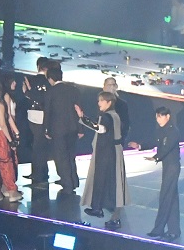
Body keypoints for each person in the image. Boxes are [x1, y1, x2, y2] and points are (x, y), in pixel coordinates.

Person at [77, 92, 129, 230]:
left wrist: (83, 118)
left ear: (108, 102)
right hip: (112, 150)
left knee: (101, 179)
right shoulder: (114, 115)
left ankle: (99, 209)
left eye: (101, 100)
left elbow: (101, 129)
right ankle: (99, 207)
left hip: (106, 152)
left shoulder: (107, 116)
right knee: (106, 180)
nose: (99, 103)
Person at [43, 63, 82, 193]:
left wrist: (46, 129)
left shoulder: (50, 92)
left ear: (50, 79)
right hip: (73, 128)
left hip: (58, 129)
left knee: (61, 157)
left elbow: (47, 112)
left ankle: (67, 183)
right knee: (71, 155)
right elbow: (79, 111)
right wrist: (81, 129)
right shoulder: (74, 90)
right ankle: (74, 180)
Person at [147, 107, 181, 240]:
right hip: (167, 166)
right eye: (157, 116)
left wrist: (156, 157)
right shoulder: (161, 130)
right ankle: (174, 230)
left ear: (168, 116)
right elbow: (154, 141)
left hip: (172, 167)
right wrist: (140, 146)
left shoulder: (173, 131)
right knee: (171, 198)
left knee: (165, 197)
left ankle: (158, 229)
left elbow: (167, 147)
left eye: (160, 116)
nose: (158, 119)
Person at [22, 57, 51, 189]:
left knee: (37, 146)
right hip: (44, 116)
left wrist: (27, 92)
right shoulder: (49, 82)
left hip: (32, 115)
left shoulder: (30, 80)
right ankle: (41, 172)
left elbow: (28, 96)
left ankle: (38, 173)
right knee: (41, 146)